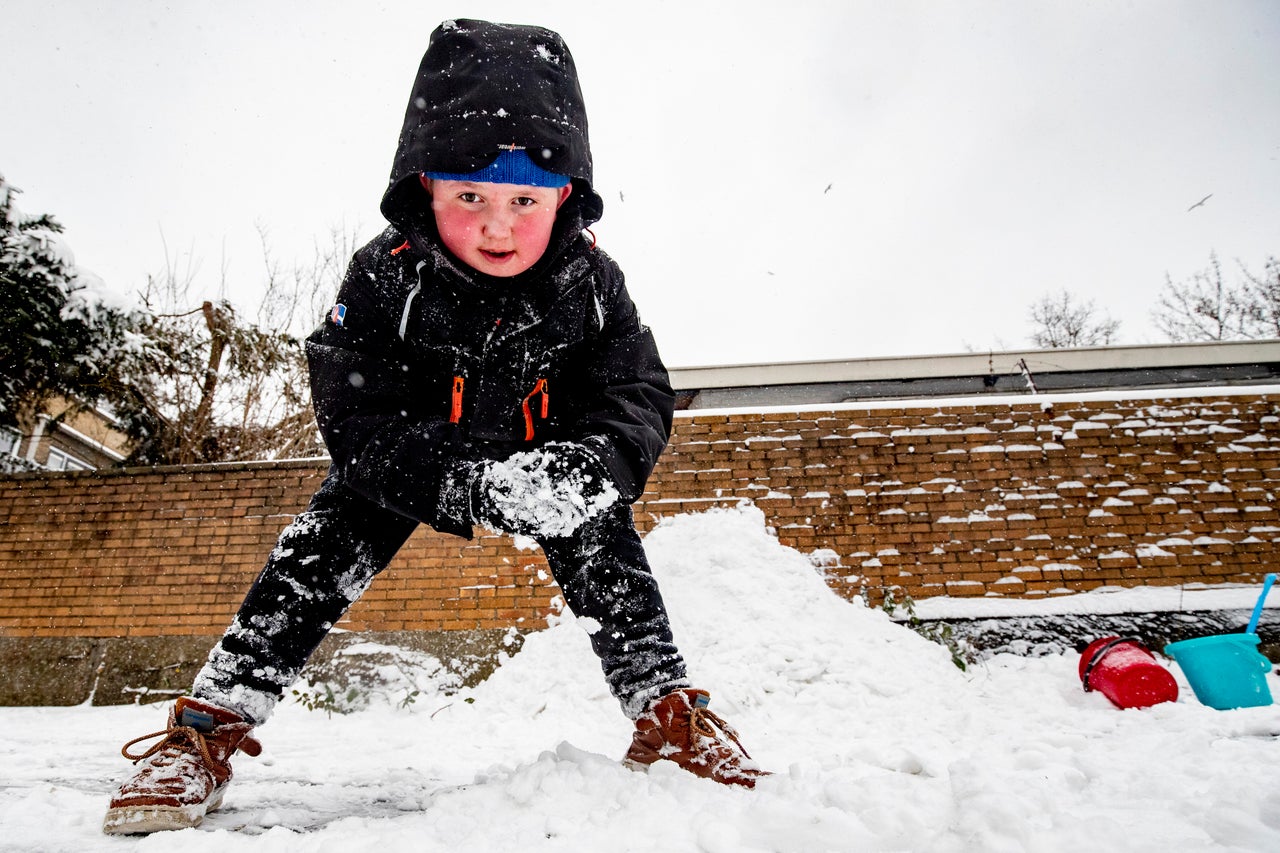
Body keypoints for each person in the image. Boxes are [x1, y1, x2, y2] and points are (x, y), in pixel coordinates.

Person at [103, 18, 766, 836]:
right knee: (315, 553)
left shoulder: (591, 283)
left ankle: (665, 712)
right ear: (426, 188)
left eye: (525, 199)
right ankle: (207, 727)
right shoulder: (383, 276)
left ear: (565, 196)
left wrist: (591, 466)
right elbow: (354, 410)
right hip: (414, 454)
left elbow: (635, 389)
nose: (498, 226)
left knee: (603, 535)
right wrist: (455, 480)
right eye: (469, 197)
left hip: (546, 449)